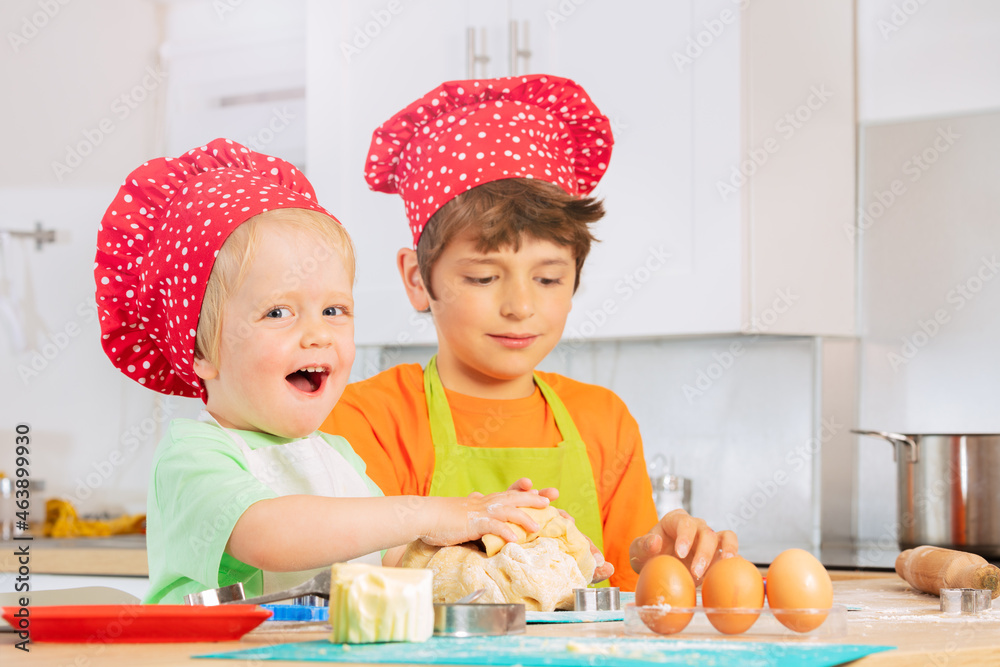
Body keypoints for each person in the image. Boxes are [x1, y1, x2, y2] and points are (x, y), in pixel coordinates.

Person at [321, 75, 738, 591]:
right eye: (483, 277)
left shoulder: (604, 421)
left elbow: (629, 592)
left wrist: (657, 556)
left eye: (547, 278)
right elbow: (360, 581)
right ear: (417, 280)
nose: (520, 307)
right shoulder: (367, 420)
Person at [95, 138, 553, 604]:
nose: (318, 335)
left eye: (335, 310)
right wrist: (430, 511)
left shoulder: (336, 456)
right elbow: (270, 534)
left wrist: (509, 543)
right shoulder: (193, 456)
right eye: (278, 313)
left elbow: (398, 562)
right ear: (200, 351)